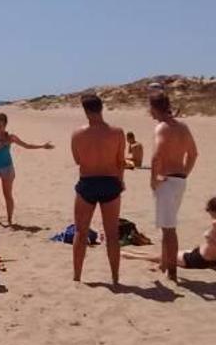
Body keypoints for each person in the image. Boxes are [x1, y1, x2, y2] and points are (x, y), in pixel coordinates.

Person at [71, 94, 125, 284]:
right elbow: (120, 161)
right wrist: (121, 182)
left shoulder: (78, 134)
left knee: (81, 231)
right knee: (112, 234)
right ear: (102, 108)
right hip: (110, 182)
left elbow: (78, 160)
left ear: (85, 111)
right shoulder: (117, 132)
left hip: (87, 182)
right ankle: (115, 278)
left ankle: (77, 276)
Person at [149, 92, 198, 281]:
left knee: (169, 229)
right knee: (166, 225)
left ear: (154, 108)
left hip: (167, 180)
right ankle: (164, 263)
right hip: (179, 180)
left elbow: (157, 156)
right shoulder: (183, 127)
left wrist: (153, 179)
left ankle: (172, 272)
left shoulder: (162, 128)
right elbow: (193, 154)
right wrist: (184, 173)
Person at [0, 113, 54, 225]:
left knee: (7, 194)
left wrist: (42, 146)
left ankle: (9, 219)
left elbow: (26, 145)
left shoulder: (11, 136)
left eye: (1, 123)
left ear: (5, 124)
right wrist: (3, 144)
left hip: (7, 167)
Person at [123, 197, 216, 270]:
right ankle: (133, 253)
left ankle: (131, 255)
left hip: (198, 259)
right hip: (203, 255)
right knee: (165, 255)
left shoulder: (215, 223)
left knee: (164, 257)